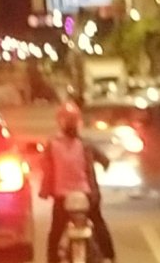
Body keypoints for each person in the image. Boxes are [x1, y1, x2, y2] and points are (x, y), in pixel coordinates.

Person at [37, 101, 113, 263]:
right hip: (87, 195)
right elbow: (105, 161)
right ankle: (109, 256)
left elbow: (47, 170)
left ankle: (52, 260)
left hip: (62, 198)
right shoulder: (85, 144)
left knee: (56, 231)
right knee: (98, 224)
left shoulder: (52, 144)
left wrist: (44, 192)